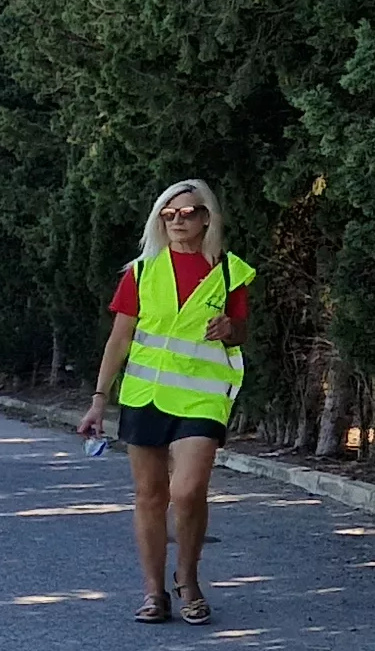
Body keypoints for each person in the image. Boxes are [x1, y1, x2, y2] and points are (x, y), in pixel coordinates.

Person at [77, 178, 253, 624]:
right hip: (145, 396)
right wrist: (99, 399)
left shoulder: (230, 270)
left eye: (188, 212)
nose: (177, 220)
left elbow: (243, 330)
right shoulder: (141, 270)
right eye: (168, 214)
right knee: (150, 496)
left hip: (202, 399)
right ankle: (154, 592)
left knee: (188, 491)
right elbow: (119, 339)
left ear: (206, 217)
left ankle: (188, 578)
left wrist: (230, 330)